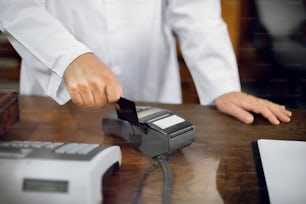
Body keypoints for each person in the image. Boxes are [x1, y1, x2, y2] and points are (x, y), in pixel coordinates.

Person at [0, 1, 291, 125]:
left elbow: (196, 13)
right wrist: (66, 57)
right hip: (54, 99)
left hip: (151, 88)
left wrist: (222, 86)